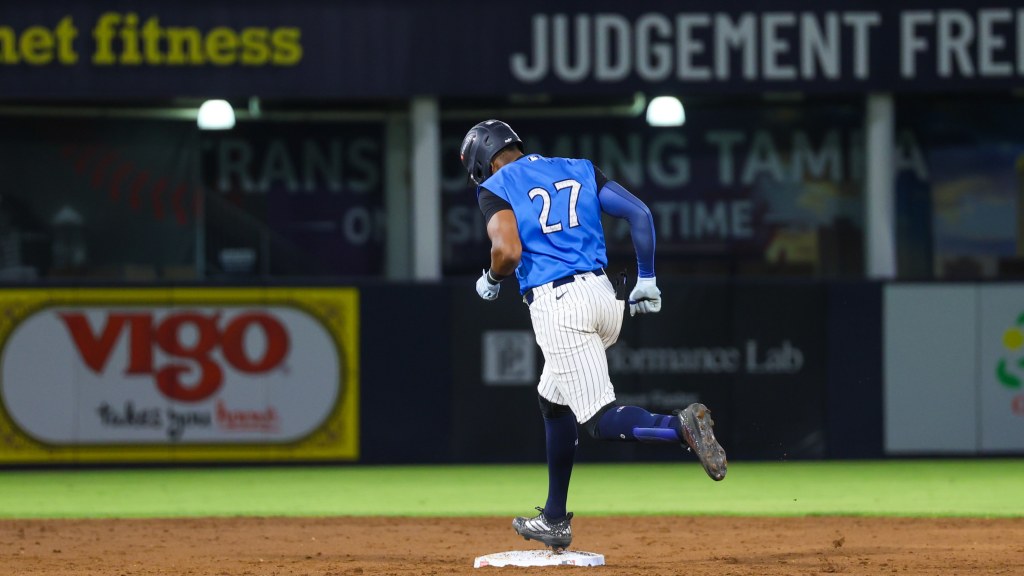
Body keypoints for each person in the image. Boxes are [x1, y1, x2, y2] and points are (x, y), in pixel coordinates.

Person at [460, 119, 727, 552]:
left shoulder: (496, 185)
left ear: (481, 162)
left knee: (599, 419)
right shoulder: (577, 166)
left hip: (559, 305)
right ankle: (553, 518)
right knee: (553, 399)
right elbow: (639, 212)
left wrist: (491, 278)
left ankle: (679, 428)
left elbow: (507, 251)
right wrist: (648, 278)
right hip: (606, 299)